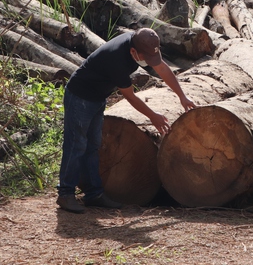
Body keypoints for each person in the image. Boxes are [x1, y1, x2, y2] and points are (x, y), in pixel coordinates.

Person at [56, 28, 196, 213]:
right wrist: (153, 116)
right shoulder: (117, 59)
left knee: (93, 146)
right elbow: (130, 96)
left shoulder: (143, 42)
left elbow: (161, 67)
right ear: (133, 52)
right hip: (80, 97)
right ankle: (65, 194)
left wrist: (182, 96)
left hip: (98, 97)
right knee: (77, 144)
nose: (149, 62)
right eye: (145, 57)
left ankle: (94, 194)